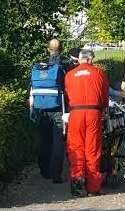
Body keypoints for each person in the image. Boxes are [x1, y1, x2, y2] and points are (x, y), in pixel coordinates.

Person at [64, 50, 109, 197]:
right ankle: (93, 187)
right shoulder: (99, 73)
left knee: (76, 147)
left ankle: (77, 179)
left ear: (80, 59)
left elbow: (67, 95)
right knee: (93, 149)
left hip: (75, 113)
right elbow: (104, 96)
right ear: (90, 59)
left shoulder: (69, 75)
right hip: (93, 113)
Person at [37, 38, 65, 184]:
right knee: (58, 141)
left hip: (42, 107)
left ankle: (44, 170)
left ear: (48, 49)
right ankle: (56, 174)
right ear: (61, 49)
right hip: (58, 107)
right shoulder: (64, 66)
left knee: (44, 139)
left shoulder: (41, 67)